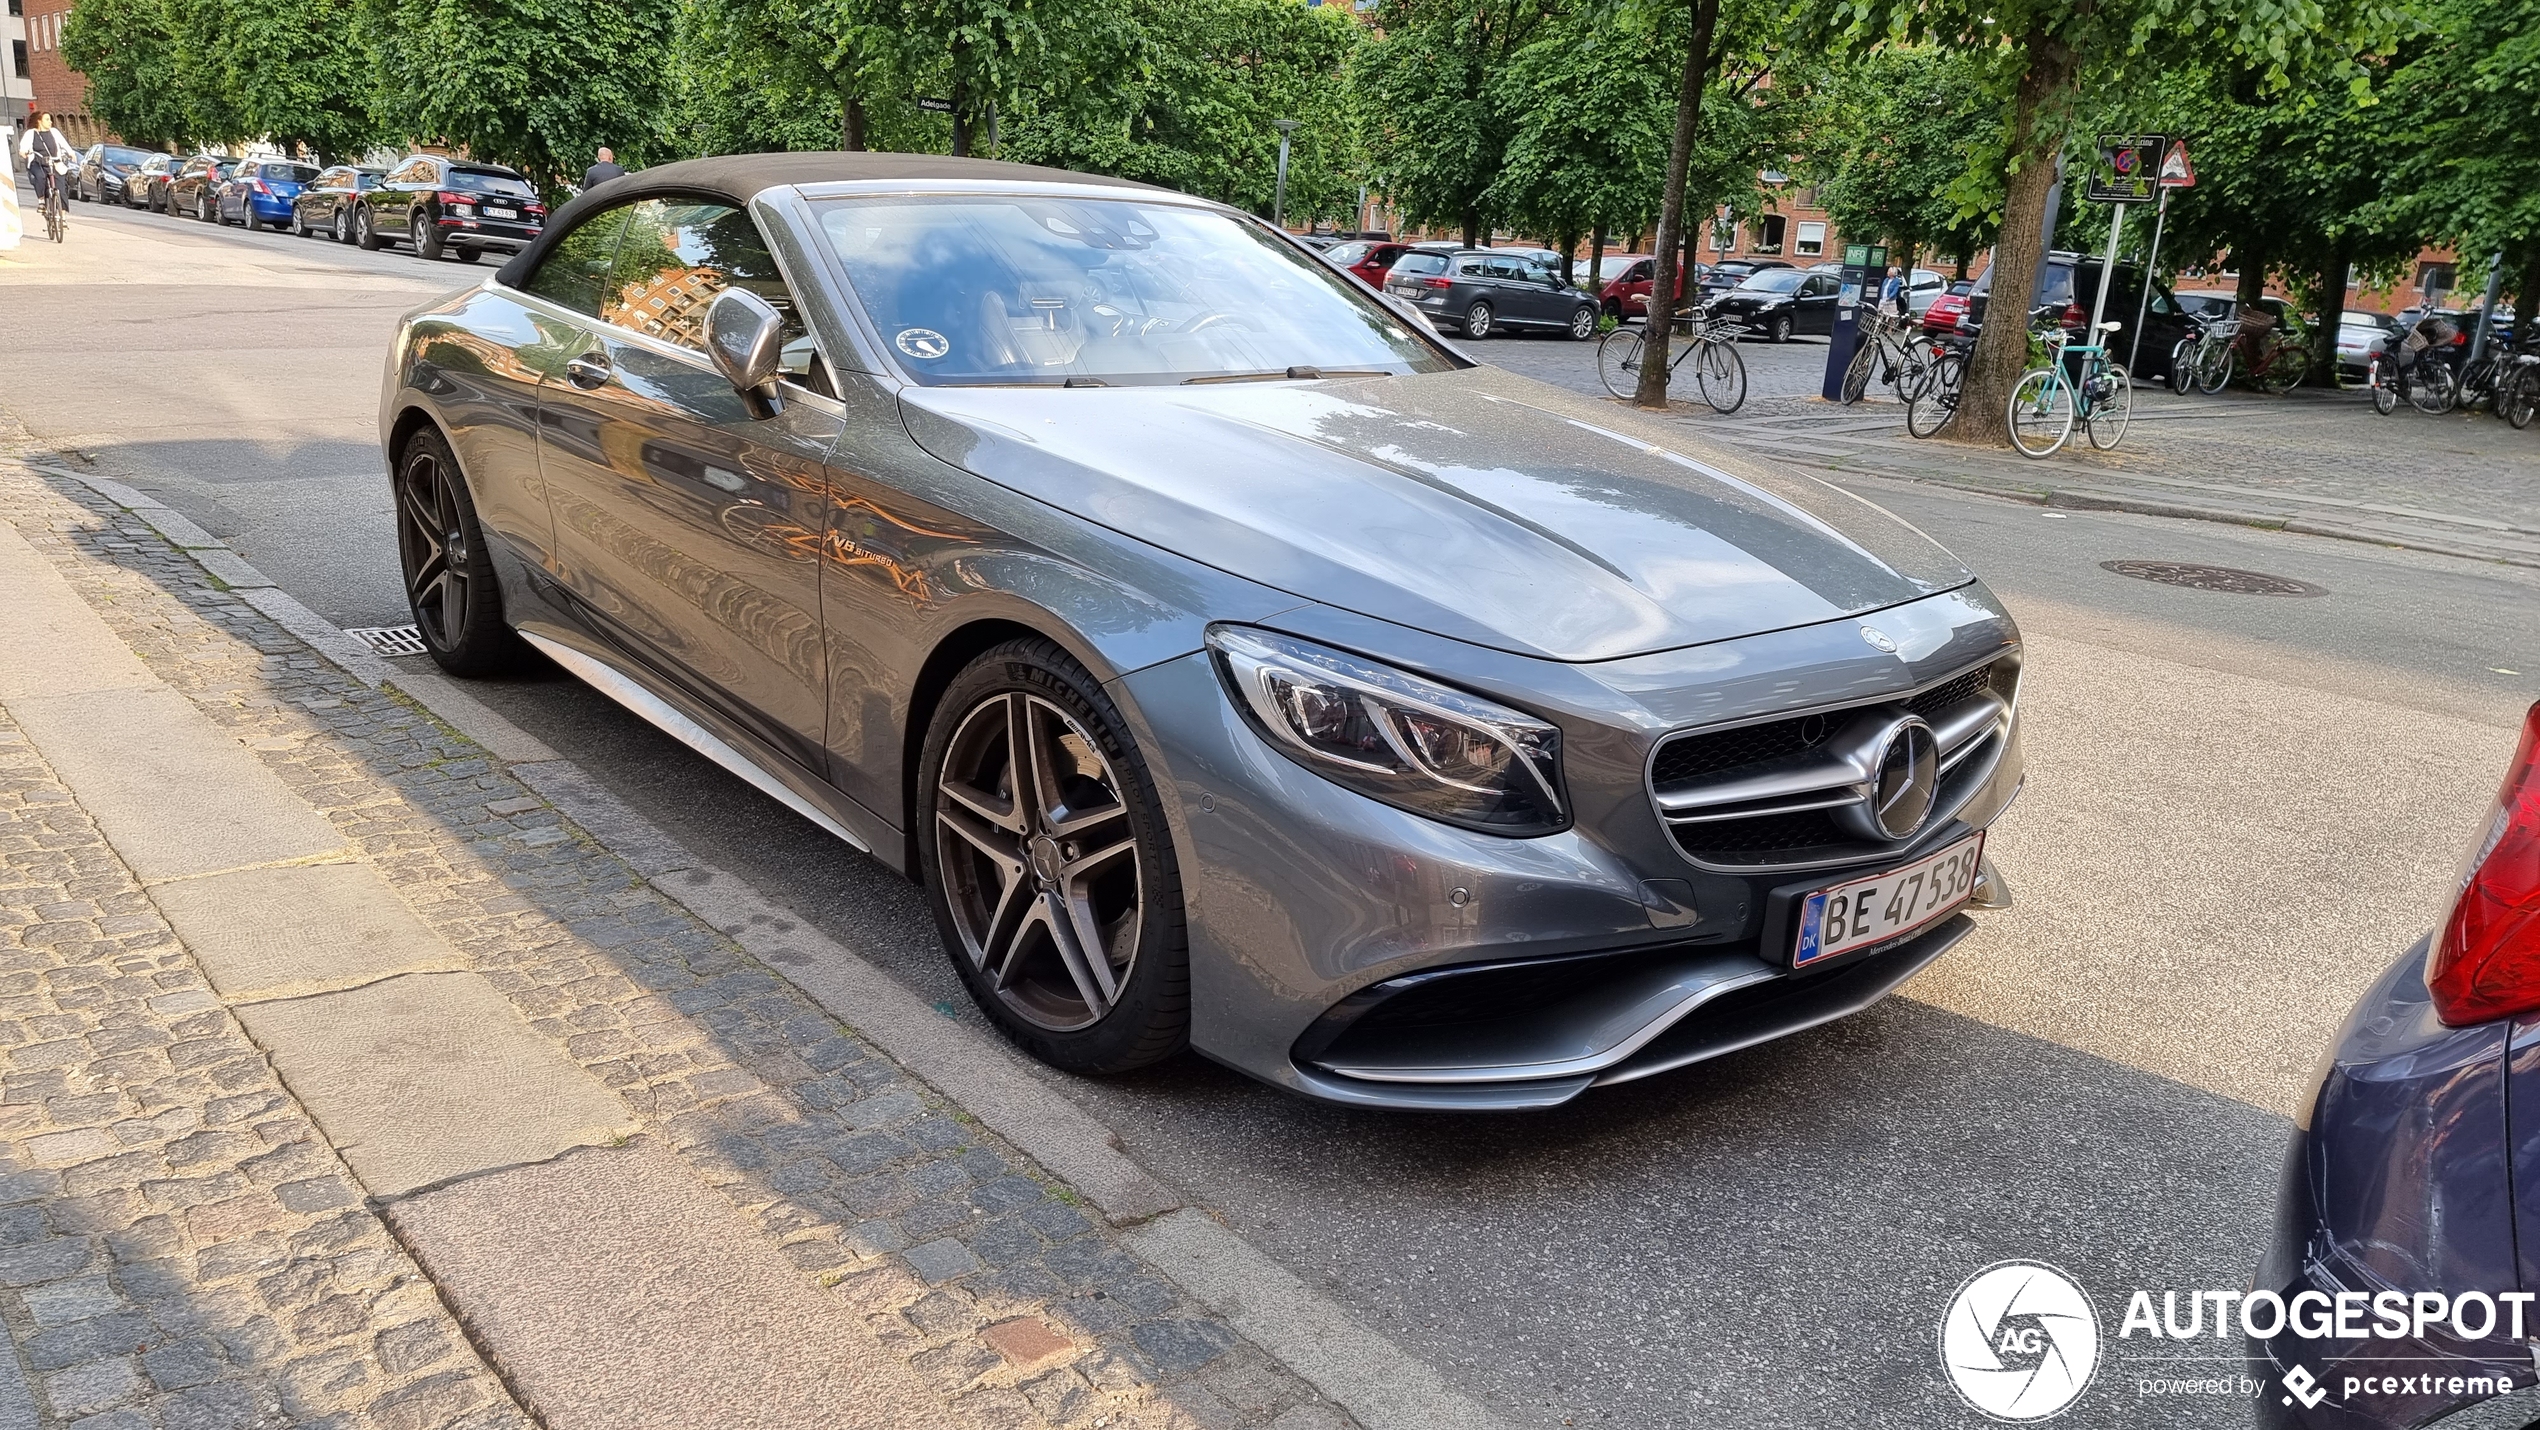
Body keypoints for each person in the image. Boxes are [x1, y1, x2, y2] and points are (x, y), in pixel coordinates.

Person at [18, 113, 75, 230]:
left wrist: (71, 153)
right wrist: (24, 152)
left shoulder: (54, 132)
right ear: (39, 121)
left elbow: (64, 144)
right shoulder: (31, 133)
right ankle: (42, 202)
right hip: (38, 162)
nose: (50, 122)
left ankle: (63, 218)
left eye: (50, 120)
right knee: (40, 176)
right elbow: (23, 147)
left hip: (54, 163)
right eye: (47, 119)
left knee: (61, 190)